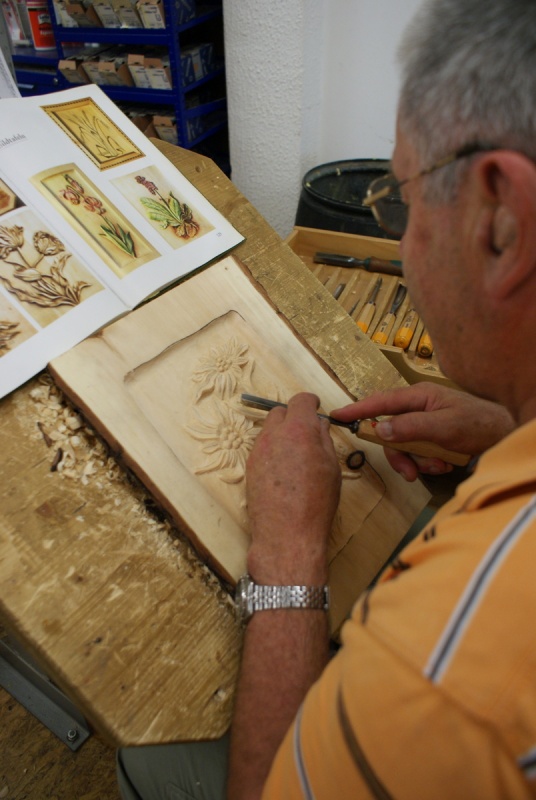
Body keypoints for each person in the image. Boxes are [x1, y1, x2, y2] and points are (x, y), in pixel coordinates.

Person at [117, 0, 536, 796]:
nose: (402, 245)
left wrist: (289, 554)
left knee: (146, 761)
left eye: (403, 203)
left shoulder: (449, 674)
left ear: (503, 223)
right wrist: (506, 426)